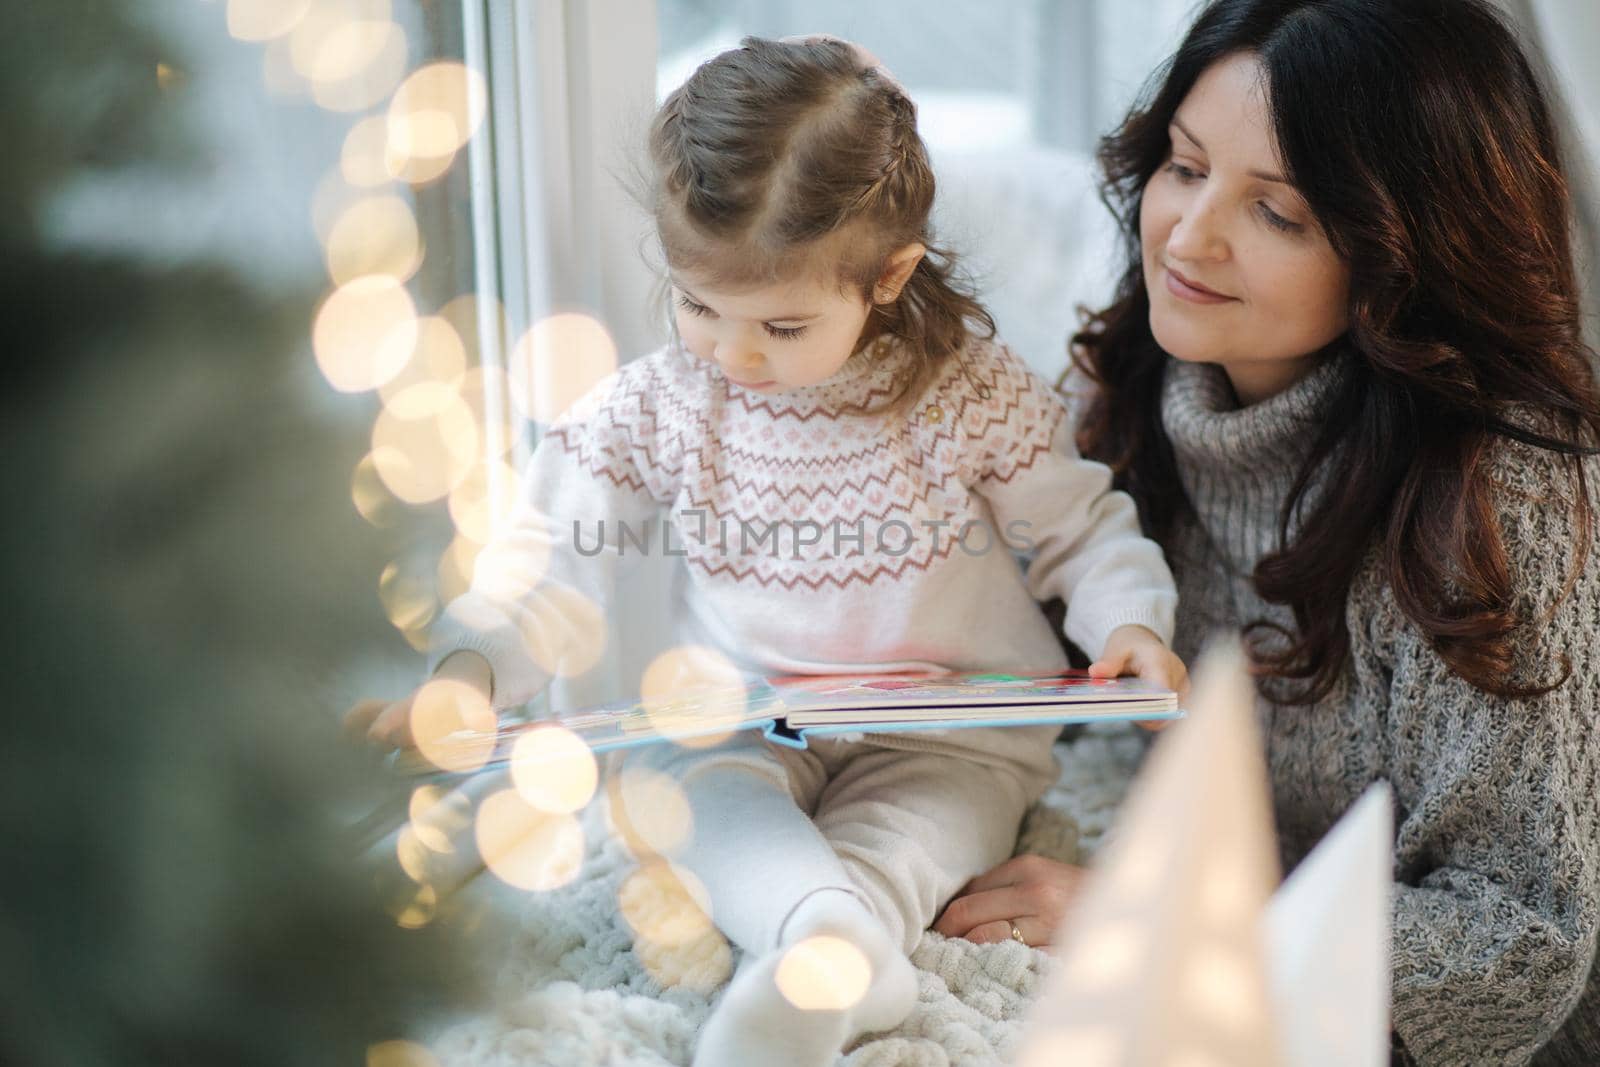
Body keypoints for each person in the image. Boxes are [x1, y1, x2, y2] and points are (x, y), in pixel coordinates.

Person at [348, 35, 1186, 1067]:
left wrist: (1130, 625)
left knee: (918, 829)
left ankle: (835, 951)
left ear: (888, 276)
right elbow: (546, 562)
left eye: (782, 324)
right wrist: (469, 677)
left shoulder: (966, 390)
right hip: (743, 714)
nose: (734, 353)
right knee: (693, 799)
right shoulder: (657, 407)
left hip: (948, 726)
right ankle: (820, 936)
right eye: (699, 305)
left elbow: (1079, 527)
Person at [934, 1, 1600, 1063]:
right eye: (1185, 168)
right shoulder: (1136, 392)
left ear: (1401, 252)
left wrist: (1153, 926)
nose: (1191, 236)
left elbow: (1518, 945)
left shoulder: (1500, 499)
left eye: (1277, 214)